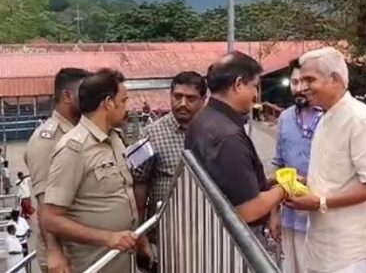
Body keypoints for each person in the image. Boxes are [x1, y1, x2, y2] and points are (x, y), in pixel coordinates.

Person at [286, 47, 366, 273]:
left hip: (349, 251)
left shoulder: (359, 119)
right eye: (301, 80)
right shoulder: (326, 116)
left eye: (309, 80)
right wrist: (303, 183)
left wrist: (320, 202)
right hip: (322, 244)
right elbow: (335, 176)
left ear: (334, 80)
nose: (301, 88)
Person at [42, 68, 151, 273]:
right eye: (123, 101)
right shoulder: (74, 149)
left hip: (123, 260)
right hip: (95, 263)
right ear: (108, 103)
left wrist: (139, 237)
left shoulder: (115, 139)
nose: (127, 108)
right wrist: (108, 238)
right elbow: (51, 218)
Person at [185, 52, 286, 234]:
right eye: (254, 86)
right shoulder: (227, 136)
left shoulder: (202, 119)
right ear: (238, 84)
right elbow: (247, 210)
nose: (256, 94)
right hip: (232, 240)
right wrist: (283, 189)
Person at [24, 67, 90, 273]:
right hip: (64, 256)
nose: (90, 98)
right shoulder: (47, 140)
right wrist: (54, 252)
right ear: (67, 96)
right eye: (84, 93)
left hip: (83, 249)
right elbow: (45, 203)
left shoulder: (81, 132)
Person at [134, 71, 207, 247]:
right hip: (165, 234)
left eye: (191, 98)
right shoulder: (149, 134)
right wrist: (139, 231)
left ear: (203, 100)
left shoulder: (214, 132)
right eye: (177, 97)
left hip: (205, 232)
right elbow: (137, 182)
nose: (182, 104)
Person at [270, 59, 323, 273]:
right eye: (294, 82)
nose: (299, 88)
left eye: (305, 82)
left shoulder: (329, 118)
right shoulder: (285, 117)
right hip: (289, 217)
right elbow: (278, 164)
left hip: (320, 218)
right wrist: (274, 213)